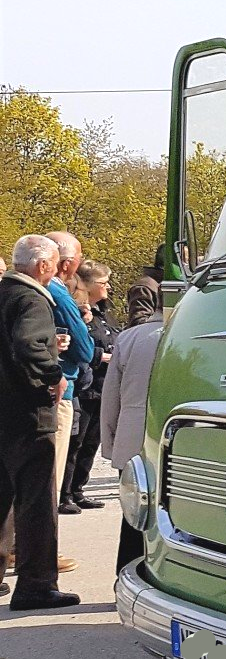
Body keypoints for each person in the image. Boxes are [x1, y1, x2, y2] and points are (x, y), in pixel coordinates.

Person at [0, 235, 80, 609]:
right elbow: (27, 343)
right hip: (28, 412)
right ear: (44, 266)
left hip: (3, 410)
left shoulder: (4, 293)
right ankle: (35, 584)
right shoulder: (31, 297)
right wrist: (53, 373)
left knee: (3, 499)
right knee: (36, 503)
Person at [103, 305, 163, 573]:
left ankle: (124, 571)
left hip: (131, 433)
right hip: (166, 437)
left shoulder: (129, 337)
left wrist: (110, 441)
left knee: (133, 514)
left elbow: (111, 396)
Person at [42, 234, 94, 534]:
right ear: (67, 264)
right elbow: (84, 350)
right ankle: (39, 549)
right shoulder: (60, 294)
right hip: (61, 389)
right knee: (51, 474)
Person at [61, 261, 117, 511]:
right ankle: (65, 493)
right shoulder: (78, 312)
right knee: (75, 442)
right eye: (102, 283)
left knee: (91, 442)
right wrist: (100, 356)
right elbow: (79, 345)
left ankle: (78, 489)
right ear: (88, 285)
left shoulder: (103, 312)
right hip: (86, 385)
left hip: (102, 385)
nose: (107, 287)